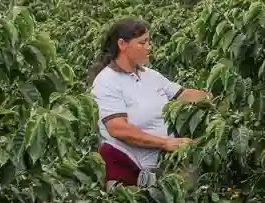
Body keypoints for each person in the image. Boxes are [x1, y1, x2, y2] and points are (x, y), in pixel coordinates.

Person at [88, 19, 210, 187]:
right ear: (122, 44)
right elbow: (118, 128)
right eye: (142, 42)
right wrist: (164, 143)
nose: (149, 47)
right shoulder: (106, 81)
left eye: (148, 41)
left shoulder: (150, 76)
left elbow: (183, 94)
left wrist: (213, 98)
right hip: (128, 173)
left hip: (161, 170)